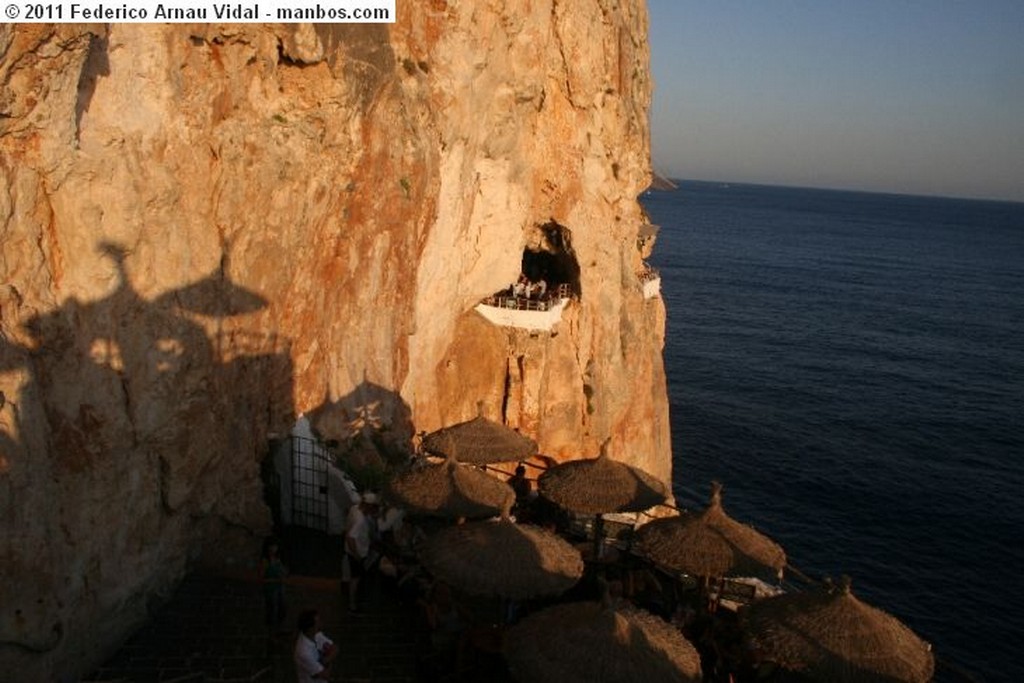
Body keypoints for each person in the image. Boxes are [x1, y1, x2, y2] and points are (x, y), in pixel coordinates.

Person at [344, 492, 380, 613]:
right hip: (357, 552)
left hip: (353, 550)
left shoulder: (354, 508)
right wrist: (357, 555)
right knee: (356, 578)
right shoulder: (360, 520)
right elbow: (351, 537)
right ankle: (352, 605)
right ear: (368, 506)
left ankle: (354, 599)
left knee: (357, 577)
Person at [293, 609, 337, 683]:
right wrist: (329, 659)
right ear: (311, 628)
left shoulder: (316, 635)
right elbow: (325, 675)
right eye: (318, 622)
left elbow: (335, 648)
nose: (321, 624)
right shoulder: (303, 652)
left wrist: (325, 660)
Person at [259, 536, 288, 633]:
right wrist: (276, 580)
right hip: (271, 588)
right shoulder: (265, 561)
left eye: (275, 546)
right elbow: (263, 578)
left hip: (280, 587)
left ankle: (279, 627)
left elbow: (284, 572)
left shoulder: (278, 558)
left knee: (282, 606)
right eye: (271, 546)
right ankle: (272, 630)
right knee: (273, 607)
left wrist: (283, 574)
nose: (273, 548)